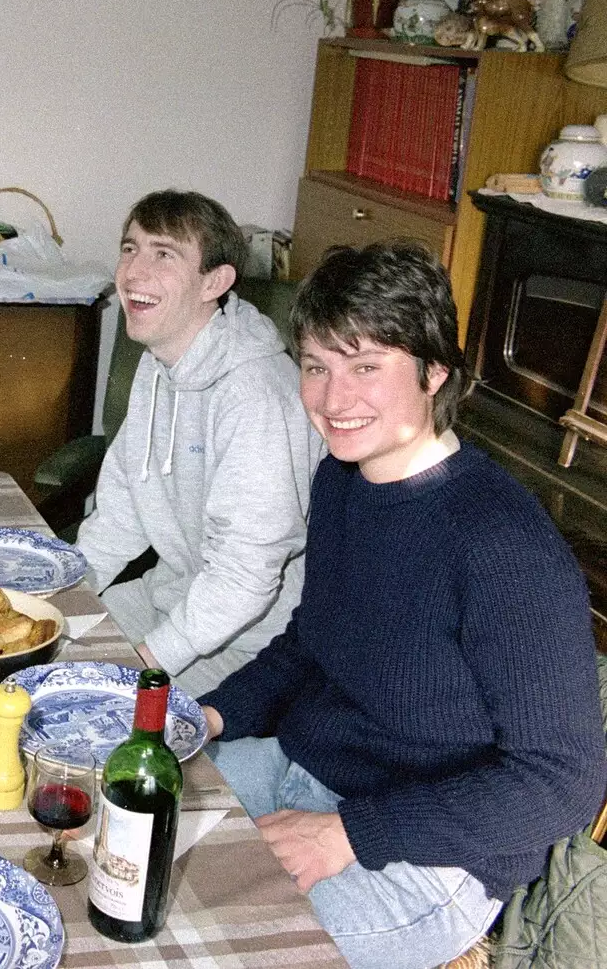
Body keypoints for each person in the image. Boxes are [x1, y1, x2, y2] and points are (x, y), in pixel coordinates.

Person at [199, 242, 606, 969]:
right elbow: (309, 642)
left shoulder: (502, 546)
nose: (331, 398)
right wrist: (210, 714)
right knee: (133, 828)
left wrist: (351, 832)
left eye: (365, 366)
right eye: (317, 366)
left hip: (433, 854)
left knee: (229, 950)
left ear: (434, 370)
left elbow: (563, 782)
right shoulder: (343, 482)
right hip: (303, 767)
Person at [75, 189, 322, 695]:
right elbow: (118, 519)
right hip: (171, 596)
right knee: (36, 653)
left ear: (215, 281)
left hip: (253, 639)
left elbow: (245, 579)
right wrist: (58, 601)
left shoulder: (255, 395)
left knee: (95, 705)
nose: (133, 272)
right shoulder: (158, 362)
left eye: (162, 254)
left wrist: (146, 662)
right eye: (129, 248)